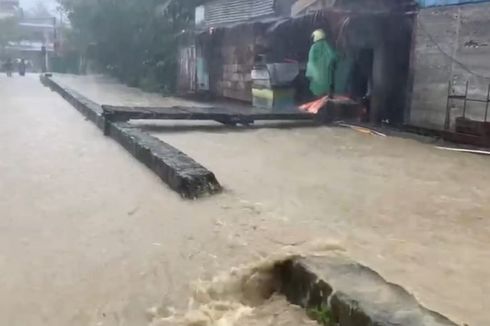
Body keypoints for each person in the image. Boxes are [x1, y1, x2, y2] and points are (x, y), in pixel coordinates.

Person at [305, 29, 337, 98]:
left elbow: (311, 63)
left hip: (317, 78)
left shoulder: (314, 47)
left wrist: (311, 75)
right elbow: (332, 57)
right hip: (327, 78)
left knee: (319, 97)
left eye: (314, 36)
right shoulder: (326, 45)